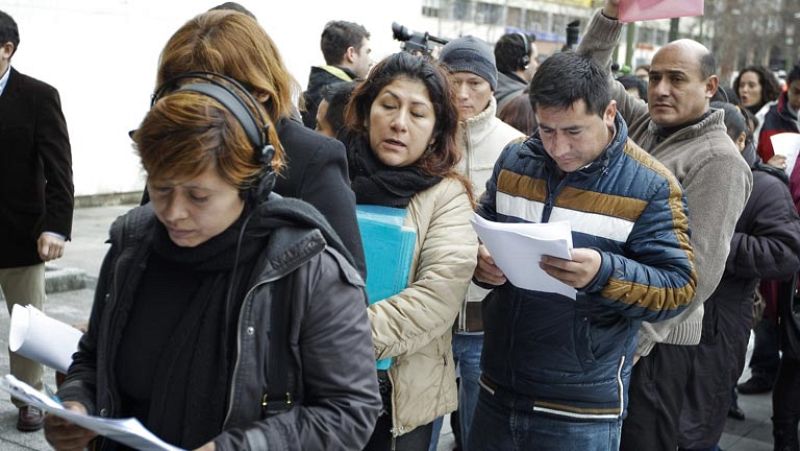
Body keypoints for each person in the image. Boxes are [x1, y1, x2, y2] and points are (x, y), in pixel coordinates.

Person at [45, 74, 381, 451]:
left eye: (198, 196)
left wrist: (240, 447)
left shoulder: (307, 270)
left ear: (249, 181)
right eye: (160, 188)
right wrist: (77, 403)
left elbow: (350, 410)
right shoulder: (133, 244)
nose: (174, 213)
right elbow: (93, 356)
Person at [469, 50, 697, 451]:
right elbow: (482, 227)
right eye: (546, 130)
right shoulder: (515, 159)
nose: (559, 147)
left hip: (581, 407)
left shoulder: (651, 185)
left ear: (609, 113)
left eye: (574, 131)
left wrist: (604, 274)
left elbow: (678, 288)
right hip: (497, 384)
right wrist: (480, 262)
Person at [578, 2, 753, 449]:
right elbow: (587, 77)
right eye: (655, 77)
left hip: (656, 348)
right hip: (613, 325)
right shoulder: (645, 127)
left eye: (677, 79)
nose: (661, 89)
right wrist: (612, 17)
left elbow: (699, 271)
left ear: (710, 87)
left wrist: (636, 343)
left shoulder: (719, 161)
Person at [152, 10, 366, 276]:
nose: (196, 110)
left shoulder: (312, 157)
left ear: (260, 92)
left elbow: (347, 280)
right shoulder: (170, 147)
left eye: (214, 97)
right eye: (184, 94)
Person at [341, 51, 479, 451]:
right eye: (389, 105)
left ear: (436, 131)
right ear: (367, 113)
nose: (399, 123)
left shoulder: (447, 196)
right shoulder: (329, 174)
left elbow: (436, 297)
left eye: (418, 114)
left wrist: (336, 336)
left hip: (400, 397)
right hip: (320, 387)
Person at [677, 102, 800, 451]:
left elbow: (786, 253)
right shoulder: (689, 169)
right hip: (675, 315)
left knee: (696, 428)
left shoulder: (763, 187)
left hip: (720, 321)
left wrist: (715, 239)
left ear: (741, 138)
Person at [436, 35, 524, 450]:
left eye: (475, 82)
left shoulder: (515, 145)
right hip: (427, 319)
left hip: (483, 321)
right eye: (454, 81)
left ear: (493, 85)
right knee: (420, 431)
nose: (464, 93)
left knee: (479, 435)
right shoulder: (424, 136)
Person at [0, 9, 73, 433]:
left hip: (20, 232)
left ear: (7, 49)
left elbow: (58, 167)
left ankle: (29, 398)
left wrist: (56, 225)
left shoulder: (39, 96)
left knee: (26, 322)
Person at [302, 20, 371, 129]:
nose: (371, 61)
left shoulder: (315, 90)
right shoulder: (343, 99)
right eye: (367, 52)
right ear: (351, 54)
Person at [756, 64, 800, 178]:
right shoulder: (765, 116)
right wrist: (767, 168)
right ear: (788, 86)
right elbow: (751, 159)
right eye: (796, 92)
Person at [493, 32, 536, 114]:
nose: (536, 64)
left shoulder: (486, 88)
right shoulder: (524, 102)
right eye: (535, 58)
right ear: (525, 62)